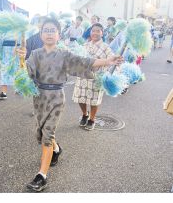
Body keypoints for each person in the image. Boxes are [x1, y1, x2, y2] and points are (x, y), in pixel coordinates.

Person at [20, 18, 122, 191]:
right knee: (40, 132)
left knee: (47, 135)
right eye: (46, 30)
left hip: (56, 98)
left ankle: (41, 176)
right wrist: (21, 60)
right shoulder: (35, 53)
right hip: (39, 98)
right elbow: (25, 75)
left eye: (53, 30)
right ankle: (57, 150)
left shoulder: (64, 54)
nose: (50, 33)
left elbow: (86, 62)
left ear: (59, 34)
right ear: (41, 34)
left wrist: (108, 61)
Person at [73, 23, 114, 130]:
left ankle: (92, 119)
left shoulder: (106, 47)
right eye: (93, 31)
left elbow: (111, 61)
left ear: (102, 33)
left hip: (96, 78)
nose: (95, 33)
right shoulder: (85, 45)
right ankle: (84, 114)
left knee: (94, 101)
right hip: (82, 76)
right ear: (90, 32)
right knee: (80, 98)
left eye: (98, 31)